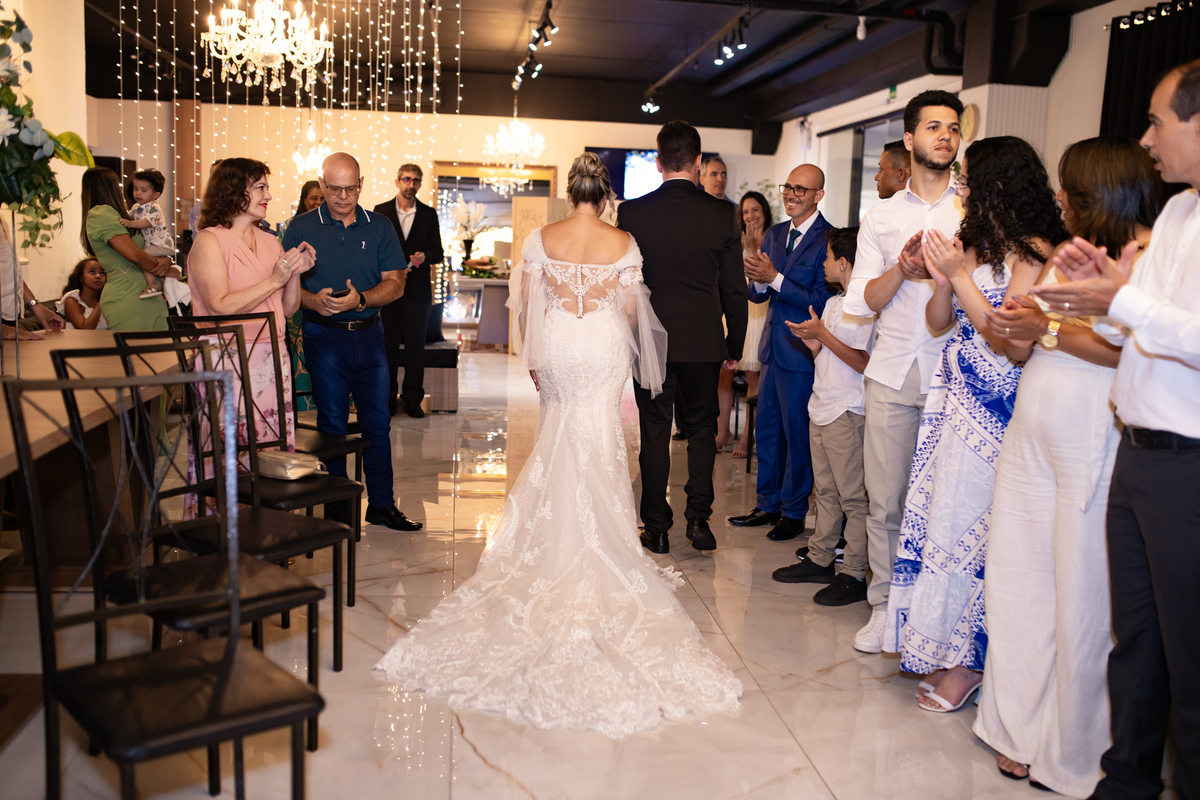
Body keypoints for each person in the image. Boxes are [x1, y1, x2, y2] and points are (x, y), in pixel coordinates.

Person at [374, 152, 742, 736]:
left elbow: (527, 305)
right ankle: (603, 535)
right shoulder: (623, 242)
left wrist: (537, 357)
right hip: (602, 347)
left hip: (563, 348)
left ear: (570, 193)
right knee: (599, 432)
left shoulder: (542, 238)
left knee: (561, 430)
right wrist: (610, 325)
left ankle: (554, 535)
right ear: (606, 195)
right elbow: (631, 310)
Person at [1031, 59, 1200, 800]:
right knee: (1136, 640)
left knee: (1189, 657)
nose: (1147, 139)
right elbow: (1135, 328)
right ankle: (1125, 782)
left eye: (1159, 122)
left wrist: (1120, 298)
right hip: (1138, 451)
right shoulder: (1181, 213)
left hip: (1188, 461)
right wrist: (1095, 290)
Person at [973, 137, 1161, 796]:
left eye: (1070, 188)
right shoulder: (1064, 254)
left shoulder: (1147, 259)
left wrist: (1047, 327)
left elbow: (1129, 351)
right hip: (1033, 428)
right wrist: (1018, 326)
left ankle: (1071, 747)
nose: (1058, 198)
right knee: (1018, 579)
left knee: (1079, 594)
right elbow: (1023, 349)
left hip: (1091, 429)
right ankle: (1016, 727)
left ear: (1102, 191)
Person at [882, 137, 1064, 715]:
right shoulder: (978, 245)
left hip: (997, 407)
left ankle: (972, 661)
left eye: (969, 180)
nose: (961, 188)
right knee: (942, 521)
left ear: (1000, 186)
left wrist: (959, 274)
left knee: (977, 532)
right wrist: (943, 281)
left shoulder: (1034, 252)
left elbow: (1009, 339)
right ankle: (942, 646)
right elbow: (942, 322)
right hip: (953, 400)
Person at [842, 90, 963, 654]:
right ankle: (885, 607)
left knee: (943, 502)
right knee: (886, 500)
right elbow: (861, 302)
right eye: (934, 126)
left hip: (956, 374)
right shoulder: (882, 216)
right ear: (910, 139)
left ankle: (935, 616)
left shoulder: (970, 210)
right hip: (892, 369)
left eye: (953, 127)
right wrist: (902, 267)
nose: (946, 135)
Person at [616, 121, 747, 554]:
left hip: (650, 341)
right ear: (697, 162)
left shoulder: (632, 213)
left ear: (659, 163)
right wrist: (734, 344)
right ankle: (698, 520)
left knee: (654, 430)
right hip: (703, 341)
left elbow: (626, 284)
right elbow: (734, 288)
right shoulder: (721, 214)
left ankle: (656, 527)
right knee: (702, 429)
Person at [283, 152, 422, 532]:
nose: (343, 197)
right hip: (322, 336)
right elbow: (284, 284)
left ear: (361, 184)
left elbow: (396, 283)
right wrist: (314, 301)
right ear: (321, 184)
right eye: (334, 189)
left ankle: (381, 505)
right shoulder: (300, 227)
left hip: (370, 335)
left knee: (378, 423)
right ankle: (338, 508)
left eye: (350, 189)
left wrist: (361, 299)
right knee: (332, 424)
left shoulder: (379, 226)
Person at [727, 164, 833, 541]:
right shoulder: (774, 234)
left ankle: (794, 510)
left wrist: (774, 278)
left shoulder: (827, 239)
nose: (791, 194)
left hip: (802, 351)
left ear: (818, 195)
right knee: (768, 429)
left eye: (800, 189)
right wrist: (758, 281)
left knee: (797, 434)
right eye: (788, 187)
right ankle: (767, 504)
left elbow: (821, 300)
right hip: (771, 347)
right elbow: (759, 293)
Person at [771, 226, 873, 606]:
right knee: (826, 492)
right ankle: (820, 558)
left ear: (844, 262)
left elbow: (863, 363)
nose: (824, 264)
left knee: (853, 498)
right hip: (822, 404)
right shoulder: (832, 303)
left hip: (848, 409)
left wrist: (824, 337)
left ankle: (854, 572)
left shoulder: (865, 307)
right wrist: (814, 343)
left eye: (829, 258)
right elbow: (828, 357)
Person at [188, 158, 316, 456]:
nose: (268, 195)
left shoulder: (271, 242)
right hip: (227, 356)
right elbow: (218, 306)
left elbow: (287, 308)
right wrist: (275, 280)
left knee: (270, 447)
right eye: (260, 187)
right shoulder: (210, 241)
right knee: (231, 451)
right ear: (233, 191)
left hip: (273, 356)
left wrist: (295, 273)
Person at [374, 163, 444, 418]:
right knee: (387, 346)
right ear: (397, 182)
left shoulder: (428, 214)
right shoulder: (381, 212)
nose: (411, 184)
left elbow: (438, 253)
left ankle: (413, 400)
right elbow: (374, 250)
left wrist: (424, 257)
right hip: (388, 288)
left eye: (416, 180)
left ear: (420, 184)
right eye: (407, 179)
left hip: (418, 291)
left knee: (416, 347)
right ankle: (388, 399)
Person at [81, 166, 172, 331]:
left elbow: (148, 246)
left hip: (150, 294)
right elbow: (135, 256)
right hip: (127, 293)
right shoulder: (101, 213)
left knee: (162, 347)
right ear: (111, 188)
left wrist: (166, 260)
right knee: (138, 348)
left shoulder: (127, 214)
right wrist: (168, 270)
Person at [722, 191, 771, 458]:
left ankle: (746, 438)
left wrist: (752, 248)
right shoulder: (735, 238)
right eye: (745, 211)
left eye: (755, 210)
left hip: (760, 311)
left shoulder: (774, 239)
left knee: (755, 376)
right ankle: (724, 432)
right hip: (739, 310)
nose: (750, 216)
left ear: (764, 211)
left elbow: (762, 275)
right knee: (726, 374)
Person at [283, 179, 324, 412]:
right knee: (300, 355)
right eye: (313, 198)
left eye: (321, 198)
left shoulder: (331, 226)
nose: (318, 202)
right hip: (296, 299)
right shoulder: (293, 226)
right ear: (304, 200)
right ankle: (302, 405)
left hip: (325, 296)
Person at [120, 168, 182, 299]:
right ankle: (170, 290)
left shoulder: (154, 208)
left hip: (159, 242)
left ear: (155, 195)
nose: (138, 193)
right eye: (136, 189)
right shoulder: (136, 207)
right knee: (158, 268)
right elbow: (128, 216)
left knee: (144, 259)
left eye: (143, 190)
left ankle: (152, 285)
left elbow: (147, 222)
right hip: (151, 243)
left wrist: (130, 223)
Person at [0, 217, 64, 340]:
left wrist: (35, 306)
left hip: (8, 318)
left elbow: (10, 274)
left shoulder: (3, 221)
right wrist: (4, 331)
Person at [58, 257, 108, 330]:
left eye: (102, 273)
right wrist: (101, 302)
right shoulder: (72, 300)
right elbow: (85, 328)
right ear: (80, 277)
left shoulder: (108, 300)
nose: (98, 276)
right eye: (92, 272)